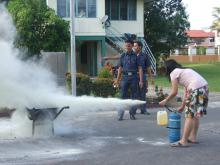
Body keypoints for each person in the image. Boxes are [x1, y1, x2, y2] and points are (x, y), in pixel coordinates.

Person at [159, 59, 209, 147]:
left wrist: (165, 100)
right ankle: (192, 137)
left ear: (168, 68)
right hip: (204, 88)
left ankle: (183, 141)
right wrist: (182, 106)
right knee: (195, 115)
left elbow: (174, 92)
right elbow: (187, 93)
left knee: (189, 116)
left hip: (196, 89)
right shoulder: (185, 71)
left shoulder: (174, 73)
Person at [113, 40, 143, 120]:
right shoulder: (123, 56)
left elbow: (140, 68)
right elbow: (120, 68)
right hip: (125, 78)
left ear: (132, 46)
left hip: (134, 78)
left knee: (134, 96)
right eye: (126, 46)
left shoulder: (136, 56)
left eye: (129, 46)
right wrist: (117, 80)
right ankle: (120, 114)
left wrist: (141, 80)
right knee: (122, 96)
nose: (127, 47)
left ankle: (132, 114)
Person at [133, 41, 154, 115]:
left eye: (135, 46)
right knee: (135, 94)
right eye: (134, 46)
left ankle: (143, 110)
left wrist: (151, 78)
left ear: (140, 47)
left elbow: (148, 67)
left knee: (142, 94)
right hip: (134, 77)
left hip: (143, 76)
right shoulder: (132, 55)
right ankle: (134, 110)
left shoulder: (145, 56)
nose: (134, 47)